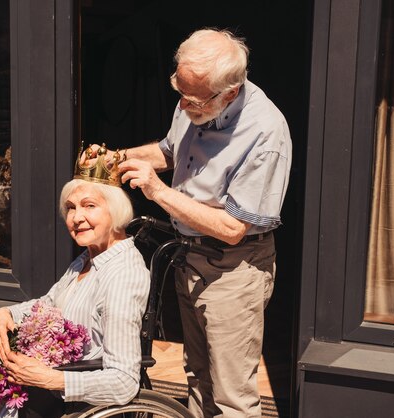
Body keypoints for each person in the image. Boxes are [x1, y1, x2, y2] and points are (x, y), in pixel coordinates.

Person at [88, 28, 292, 417]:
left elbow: (234, 229)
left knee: (232, 395)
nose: (183, 105)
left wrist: (158, 192)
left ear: (229, 93)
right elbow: (169, 151)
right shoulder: (195, 99)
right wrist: (113, 159)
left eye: (193, 100)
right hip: (191, 258)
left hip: (234, 269)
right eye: (178, 92)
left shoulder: (266, 133)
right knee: (198, 378)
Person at [0, 176, 150, 418]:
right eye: (70, 208)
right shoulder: (86, 260)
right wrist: (7, 313)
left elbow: (124, 381)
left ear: (116, 208)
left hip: (64, 401)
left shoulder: (123, 275)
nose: (76, 218)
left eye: (89, 206)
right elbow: (48, 304)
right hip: (36, 386)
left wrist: (52, 379)